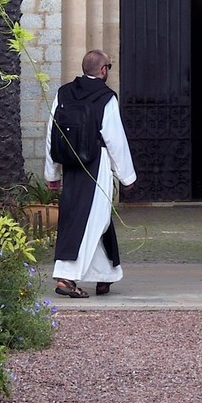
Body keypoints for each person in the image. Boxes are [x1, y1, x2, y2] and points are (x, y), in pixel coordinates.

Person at [45, 48, 136, 297]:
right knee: (91, 220)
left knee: (91, 218)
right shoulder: (105, 98)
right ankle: (66, 277)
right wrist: (127, 177)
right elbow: (115, 140)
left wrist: (51, 174)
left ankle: (105, 274)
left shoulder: (63, 93)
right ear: (103, 70)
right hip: (97, 165)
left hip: (71, 167)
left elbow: (52, 136)